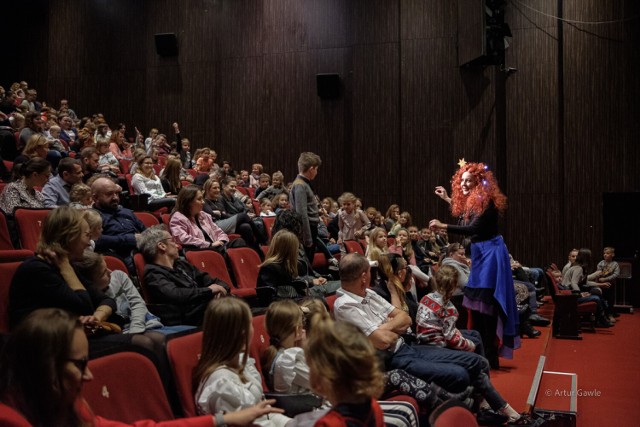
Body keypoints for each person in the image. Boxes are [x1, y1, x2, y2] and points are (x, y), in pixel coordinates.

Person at [0, 307, 278, 427]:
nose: (89, 375)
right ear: (44, 366)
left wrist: (223, 420)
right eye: (80, 364)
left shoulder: (67, 405)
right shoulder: (9, 419)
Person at [430, 161, 519, 368]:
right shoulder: (475, 201)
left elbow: (472, 228)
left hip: (491, 255)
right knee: (478, 308)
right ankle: (484, 354)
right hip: (481, 255)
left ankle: (490, 356)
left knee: (486, 305)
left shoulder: (486, 202)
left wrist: (442, 225)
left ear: (479, 182)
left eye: (469, 181)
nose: (464, 184)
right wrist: (447, 199)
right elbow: (465, 217)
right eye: (461, 180)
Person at [193, 298, 290, 426]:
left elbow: (265, 414)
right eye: (250, 324)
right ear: (242, 333)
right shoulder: (221, 383)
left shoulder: (241, 363)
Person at [138, 225, 230, 325]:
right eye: (172, 240)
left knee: (233, 302)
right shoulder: (153, 273)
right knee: (231, 309)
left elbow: (211, 281)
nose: (177, 245)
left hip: (202, 309)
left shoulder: (182, 264)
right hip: (185, 317)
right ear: (162, 246)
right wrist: (209, 291)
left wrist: (221, 288)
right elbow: (175, 294)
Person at [416, 265, 483, 355]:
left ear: (436, 280)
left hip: (423, 338)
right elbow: (451, 340)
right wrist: (471, 345)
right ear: (455, 286)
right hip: (437, 344)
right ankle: (481, 364)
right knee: (476, 342)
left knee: (475, 334)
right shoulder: (450, 310)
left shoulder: (425, 298)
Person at [258, 230, 340, 301]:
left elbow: (295, 280)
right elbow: (270, 296)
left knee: (341, 286)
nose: (298, 251)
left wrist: (312, 281)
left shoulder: (286, 264)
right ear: (288, 250)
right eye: (296, 248)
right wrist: (306, 286)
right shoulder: (269, 268)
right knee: (341, 287)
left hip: (301, 296)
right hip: (289, 304)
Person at [169, 185, 229, 251]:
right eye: (199, 199)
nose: (203, 202)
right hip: (200, 251)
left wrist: (222, 240)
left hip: (216, 247)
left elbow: (218, 231)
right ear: (188, 202)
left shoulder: (203, 215)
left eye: (202, 198)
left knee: (238, 242)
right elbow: (182, 238)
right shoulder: (178, 218)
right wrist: (209, 245)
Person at [290, 152, 322, 263]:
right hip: (307, 230)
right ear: (311, 169)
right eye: (316, 169)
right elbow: (302, 214)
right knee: (307, 263)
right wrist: (307, 238)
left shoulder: (304, 184)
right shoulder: (300, 185)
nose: (317, 172)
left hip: (311, 227)